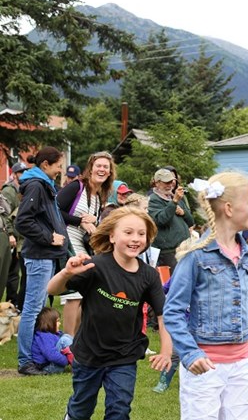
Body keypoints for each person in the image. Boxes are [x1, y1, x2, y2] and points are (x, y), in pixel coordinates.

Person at [163, 173, 248, 420]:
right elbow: (172, 312)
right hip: (204, 368)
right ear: (228, 208)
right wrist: (191, 353)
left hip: (240, 368)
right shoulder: (196, 257)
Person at [47, 206, 173, 419]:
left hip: (124, 356)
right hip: (89, 354)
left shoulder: (149, 275)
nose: (136, 239)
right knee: (81, 409)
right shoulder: (94, 265)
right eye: (128, 232)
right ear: (112, 235)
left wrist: (166, 351)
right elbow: (52, 290)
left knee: (119, 410)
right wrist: (66, 273)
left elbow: (163, 315)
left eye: (141, 234)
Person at [15, 147, 68, 376]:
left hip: (45, 256)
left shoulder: (44, 184)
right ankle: (25, 361)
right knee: (32, 309)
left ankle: (36, 355)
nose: (60, 170)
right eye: (58, 165)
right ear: (45, 164)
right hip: (39, 256)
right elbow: (23, 221)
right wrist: (49, 237)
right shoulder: (37, 185)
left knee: (37, 308)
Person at [57, 151, 116, 336]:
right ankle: (68, 342)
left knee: (85, 292)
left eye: (106, 167)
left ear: (110, 172)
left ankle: (77, 340)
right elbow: (54, 210)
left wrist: (94, 222)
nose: (102, 169)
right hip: (67, 242)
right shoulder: (76, 187)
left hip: (84, 246)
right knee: (73, 294)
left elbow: (92, 225)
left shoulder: (99, 195)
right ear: (91, 168)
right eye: (98, 165)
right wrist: (79, 221)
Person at [148, 168, 194, 273]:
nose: (170, 184)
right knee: (173, 284)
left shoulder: (175, 197)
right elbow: (160, 220)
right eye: (166, 182)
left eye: (171, 181)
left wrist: (183, 213)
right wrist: (173, 203)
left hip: (185, 248)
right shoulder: (153, 200)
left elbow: (191, 222)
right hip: (168, 253)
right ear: (157, 183)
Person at [2, 161, 28, 309]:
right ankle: (12, 302)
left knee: (16, 272)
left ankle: (14, 302)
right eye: (20, 173)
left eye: (25, 172)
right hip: (10, 237)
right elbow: (4, 214)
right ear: (14, 174)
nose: (23, 175)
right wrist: (10, 234)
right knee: (12, 272)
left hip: (20, 238)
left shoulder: (22, 189)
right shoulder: (9, 191)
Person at [31, 307, 73, 374]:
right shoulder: (44, 337)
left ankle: (80, 361)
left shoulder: (50, 334)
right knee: (64, 340)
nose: (60, 323)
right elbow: (52, 355)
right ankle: (78, 365)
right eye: (57, 321)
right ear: (49, 323)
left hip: (52, 364)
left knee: (66, 336)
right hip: (48, 368)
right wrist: (66, 360)